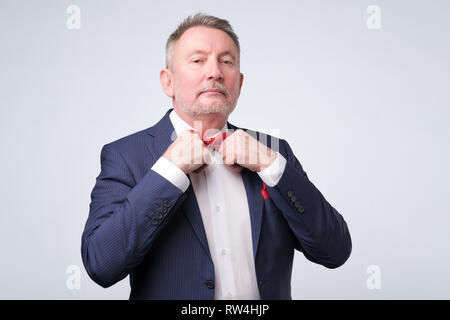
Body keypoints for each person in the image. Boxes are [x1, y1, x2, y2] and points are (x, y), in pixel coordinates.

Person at [81, 13, 352, 300]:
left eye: (227, 61)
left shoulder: (276, 151)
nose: (215, 72)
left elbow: (334, 251)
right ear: (168, 82)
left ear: (240, 83)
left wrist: (272, 167)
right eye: (198, 60)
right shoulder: (125, 155)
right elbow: (101, 265)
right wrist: (169, 171)